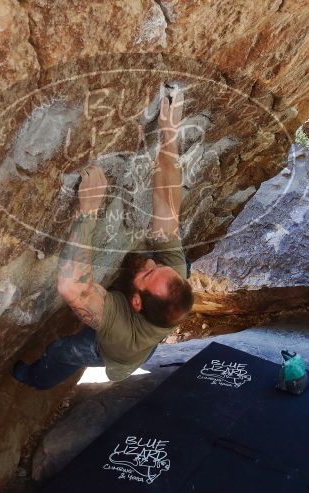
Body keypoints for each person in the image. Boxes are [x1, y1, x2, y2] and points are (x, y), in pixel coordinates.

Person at [11, 89, 194, 390]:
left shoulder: (120, 333)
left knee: (64, 351)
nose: (151, 261)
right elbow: (167, 209)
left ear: (135, 302)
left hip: (119, 353)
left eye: (149, 272)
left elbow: (74, 288)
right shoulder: (174, 282)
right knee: (178, 255)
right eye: (158, 267)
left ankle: (35, 380)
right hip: (151, 323)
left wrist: (89, 212)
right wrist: (170, 133)